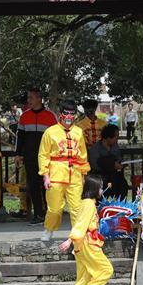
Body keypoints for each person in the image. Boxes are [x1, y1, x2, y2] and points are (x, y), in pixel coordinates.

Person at [58, 174, 113, 285]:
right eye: (100, 187)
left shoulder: (86, 203)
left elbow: (79, 223)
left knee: (85, 276)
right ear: (94, 188)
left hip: (82, 243)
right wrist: (70, 240)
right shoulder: (88, 204)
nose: (101, 190)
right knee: (106, 269)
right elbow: (81, 224)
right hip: (88, 243)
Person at [39, 99, 89, 242]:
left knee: (77, 207)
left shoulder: (78, 132)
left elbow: (83, 155)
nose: (69, 116)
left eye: (72, 114)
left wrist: (84, 174)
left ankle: (77, 235)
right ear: (60, 114)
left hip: (75, 174)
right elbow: (43, 155)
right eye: (66, 113)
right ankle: (49, 229)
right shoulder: (50, 132)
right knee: (55, 208)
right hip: (56, 173)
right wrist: (45, 175)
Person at [15, 88, 57, 225]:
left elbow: (57, 138)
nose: (29, 101)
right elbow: (20, 138)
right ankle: (38, 214)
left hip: (47, 158)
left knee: (47, 185)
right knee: (33, 185)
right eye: (28, 98)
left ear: (39, 99)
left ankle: (50, 213)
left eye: (31, 98)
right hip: (30, 157)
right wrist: (18, 154)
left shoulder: (50, 116)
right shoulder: (24, 116)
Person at [88, 124, 128, 199]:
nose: (117, 139)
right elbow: (94, 165)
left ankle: (120, 204)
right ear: (108, 138)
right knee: (101, 185)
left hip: (114, 176)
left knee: (123, 184)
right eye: (116, 137)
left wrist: (120, 164)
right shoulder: (95, 148)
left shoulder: (115, 146)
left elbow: (118, 158)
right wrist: (111, 165)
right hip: (100, 177)